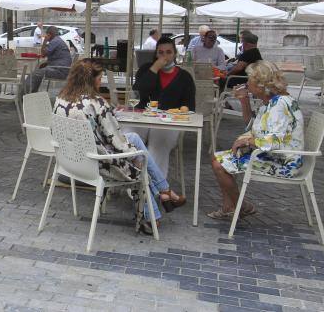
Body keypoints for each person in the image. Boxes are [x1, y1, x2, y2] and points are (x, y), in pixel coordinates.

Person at [54, 59, 186, 233]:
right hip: (99, 165)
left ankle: (164, 193)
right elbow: (117, 142)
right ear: (91, 80)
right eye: (100, 78)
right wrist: (137, 155)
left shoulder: (60, 100)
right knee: (139, 158)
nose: (101, 81)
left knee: (134, 139)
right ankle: (160, 200)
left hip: (71, 160)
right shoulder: (97, 103)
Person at [209, 61, 304, 220]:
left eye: (249, 80)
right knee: (216, 158)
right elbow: (252, 127)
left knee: (219, 164)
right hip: (274, 155)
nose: (246, 83)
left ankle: (241, 205)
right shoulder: (272, 102)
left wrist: (246, 142)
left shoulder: (280, 104)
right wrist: (244, 101)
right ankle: (229, 207)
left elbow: (275, 140)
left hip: (284, 162)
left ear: (261, 84)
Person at [133, 36, 196, 176]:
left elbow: (190, 106)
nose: (164, 56)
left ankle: (154, 186)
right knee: (128, 135)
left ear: (174, 54)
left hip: (167, 123)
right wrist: (155, 67)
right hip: (143, 117)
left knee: (158, 143)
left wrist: (179, 112)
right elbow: (139, 90)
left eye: (168, 52)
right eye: (160, 52)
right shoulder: (146, 70)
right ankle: (133, 176)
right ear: (156, 54)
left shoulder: (185, 77)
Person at [25, 26, 72, 93]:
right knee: (37, 72)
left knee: (34, 74)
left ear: (49, 34)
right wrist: (46, 63)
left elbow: (43, 54)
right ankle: (32, 94)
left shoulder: (55, 41)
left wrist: (45, 41)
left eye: (46, 35)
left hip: (59, 70)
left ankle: (25, 95)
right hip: (62, 69)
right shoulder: (58, 40)